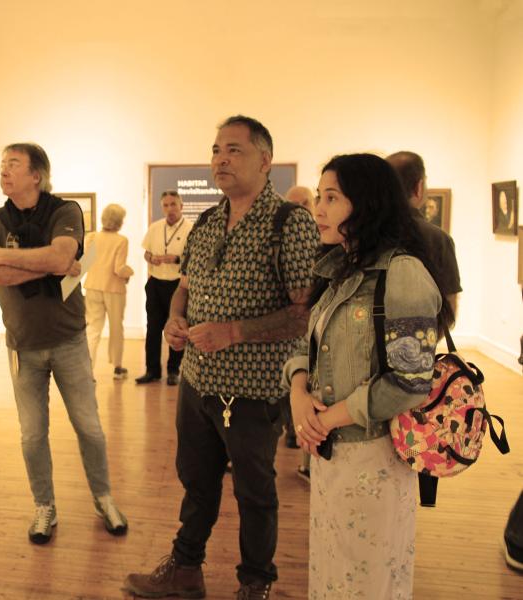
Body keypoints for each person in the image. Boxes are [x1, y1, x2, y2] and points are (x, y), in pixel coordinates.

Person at [123, 115, 319, 600]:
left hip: (254, 389)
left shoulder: (288, 224)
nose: (220, 159)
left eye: (234, 149)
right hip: (196, 381)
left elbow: (304, 313)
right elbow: (184, 290)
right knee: (196, 481)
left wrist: (236, 331)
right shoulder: (207, 222)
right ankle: (186, 569)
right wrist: (173, 320)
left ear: (265, 160)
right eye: (215, 150)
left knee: (255, 492)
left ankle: (255, 583)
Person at [283, 153, 455, 599]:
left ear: (367, 203)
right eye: (319, 197)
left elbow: (411, 381)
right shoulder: (338, 270)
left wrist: (332, 417)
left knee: (367, 579)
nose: (318, 209)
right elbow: (308, 344)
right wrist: (299, 391)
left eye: (332, 198)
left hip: (374, 458)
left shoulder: (403, 274)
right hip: (330, 455)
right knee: (334, 571)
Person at [0, 142, 127, 545]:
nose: (4, 171)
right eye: (2, 164)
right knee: (31, 435)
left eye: (13, 165)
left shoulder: (65, 211)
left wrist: (9, 259)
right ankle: (44, 506)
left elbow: (62, 259)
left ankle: (104, 497)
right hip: (22, 346)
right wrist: (48, 263)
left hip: (68, 341)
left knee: (90, 428)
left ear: (36, 175)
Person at [386, 151, 462, 315]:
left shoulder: (363, 232)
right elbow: (449, 308)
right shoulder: (438, 239)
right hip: (420, 335)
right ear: (419, 187)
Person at [138, 190, 193, 386]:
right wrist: (151, 258)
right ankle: (151, 370)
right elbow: (146, 252)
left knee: (176, 327)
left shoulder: (190, 229)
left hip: (178, 285)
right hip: (155, 283)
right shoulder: (155, 227)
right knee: (152, 328)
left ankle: (173, 370)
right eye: (166, 205)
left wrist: (176, 259)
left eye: (173, 204)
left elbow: (195, 258)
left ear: (181, 206)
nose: (170, 209)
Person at [281, 185, 317, 452]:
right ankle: (291, 429)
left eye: (304, 203)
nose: (299, 209)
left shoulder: (324, 237)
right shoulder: (284, 237)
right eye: (293, 204)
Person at [84, 203, 134, 379]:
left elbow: (85, 264)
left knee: (92, 329)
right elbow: (119, 269)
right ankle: (118, 368)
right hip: (114, 289)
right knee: (116, 328)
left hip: (92, 286)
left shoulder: (91, 237)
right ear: (119, 221)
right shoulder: (121, 241)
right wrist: (130, 272)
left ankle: (88, 371)